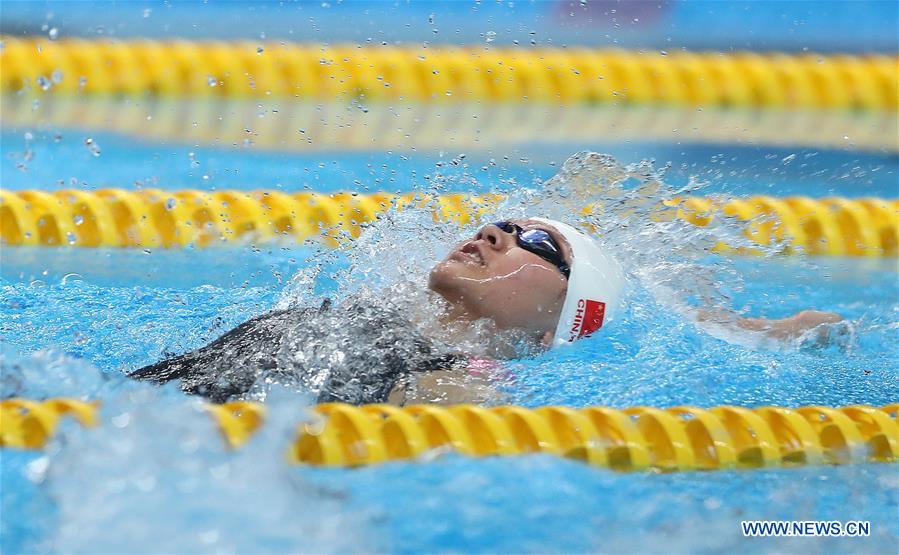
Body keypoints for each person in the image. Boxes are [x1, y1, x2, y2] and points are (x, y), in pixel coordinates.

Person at [131, 218, 842, 405]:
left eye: (540, 244)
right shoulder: (357, 313)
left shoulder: (457, 381)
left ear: (559, 321)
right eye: (506, 223)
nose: (499, 231)